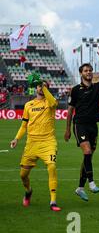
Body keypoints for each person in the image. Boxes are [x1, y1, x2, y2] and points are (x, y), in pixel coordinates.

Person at [65, 47, 99, 201]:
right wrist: (67, 130)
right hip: (80, 124)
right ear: (81, 73)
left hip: (93, 126)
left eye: (90, 70)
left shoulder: (97, 87)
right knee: (87, 153)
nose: (89, 72)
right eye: (86, 70)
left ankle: (79, 188)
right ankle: (91, 183)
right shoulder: (75, 90)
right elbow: (70, 110)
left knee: (88, 158)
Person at [10, 80, 61, 211]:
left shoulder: (50, 102)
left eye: (44, 86)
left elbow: (54, 102)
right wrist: (16, 138)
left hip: (48, 142)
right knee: (23, 175)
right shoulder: (28, 105)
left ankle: (53, 201)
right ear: (35, 88)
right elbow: (23, 126)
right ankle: (28, 191)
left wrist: (45, 88)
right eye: (39, 86)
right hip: (31, 144)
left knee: (52, 166)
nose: (41, 88)